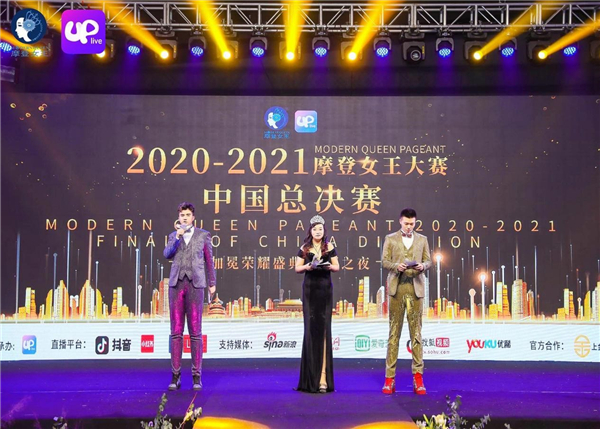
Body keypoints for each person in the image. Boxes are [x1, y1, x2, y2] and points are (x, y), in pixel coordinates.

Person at [163, 202, 216, 391]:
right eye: (181, 215)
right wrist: (177, 237)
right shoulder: (173, 236)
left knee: (195, 332)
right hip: (176, 285)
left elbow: (209, 260)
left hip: (196, 284)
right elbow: (167, 254)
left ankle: (196, 377)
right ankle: (175, 376)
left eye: (187, 215)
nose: (184, 218)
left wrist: (212, 283)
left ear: (193, 217)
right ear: (178, 217)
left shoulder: (203, 235)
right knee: (176, 332)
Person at [382, 208, 431, 395]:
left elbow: (428, 261)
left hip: (416, 289)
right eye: (406, 223)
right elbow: (384, 261)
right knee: (394, 334)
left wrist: (422, 266)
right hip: (397, 289)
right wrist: (397, 266)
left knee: (416, 334)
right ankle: (389, 379)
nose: (409, 226)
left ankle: (418, 378)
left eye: (412, 223)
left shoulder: (422, 240)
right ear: (400, 221)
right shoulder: (390, 239)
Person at [295, 215, 340, 393]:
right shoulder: (304, 248)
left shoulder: (329, 246)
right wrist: (308, 267)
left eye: (320, 229)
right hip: (310, 290)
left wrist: (328, 266)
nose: (318, 232)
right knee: (310, 330)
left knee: (324, 330)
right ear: (310, 231)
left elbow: (337, 266)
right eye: (315, 229)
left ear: (324, 230)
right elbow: (297, 268)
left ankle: (323, 379)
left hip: (325, 290)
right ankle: (309, 378)